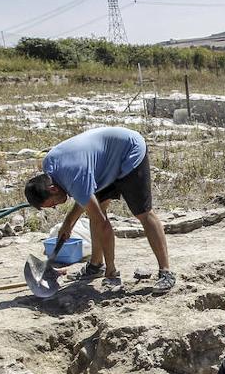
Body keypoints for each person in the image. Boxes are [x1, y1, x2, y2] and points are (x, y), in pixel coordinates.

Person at [23, 126, 174, 294]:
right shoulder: (50, 167)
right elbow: (84, 196)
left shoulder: (74, 177)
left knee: (143, 213)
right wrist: (68, 223)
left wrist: (112, 272)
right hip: (103, 164)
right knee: (96, 211)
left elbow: (101, 222)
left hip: (129, 151)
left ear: (52, 189)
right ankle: (96, 266)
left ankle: (164, 272)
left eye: (52, 204)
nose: (56, 206)